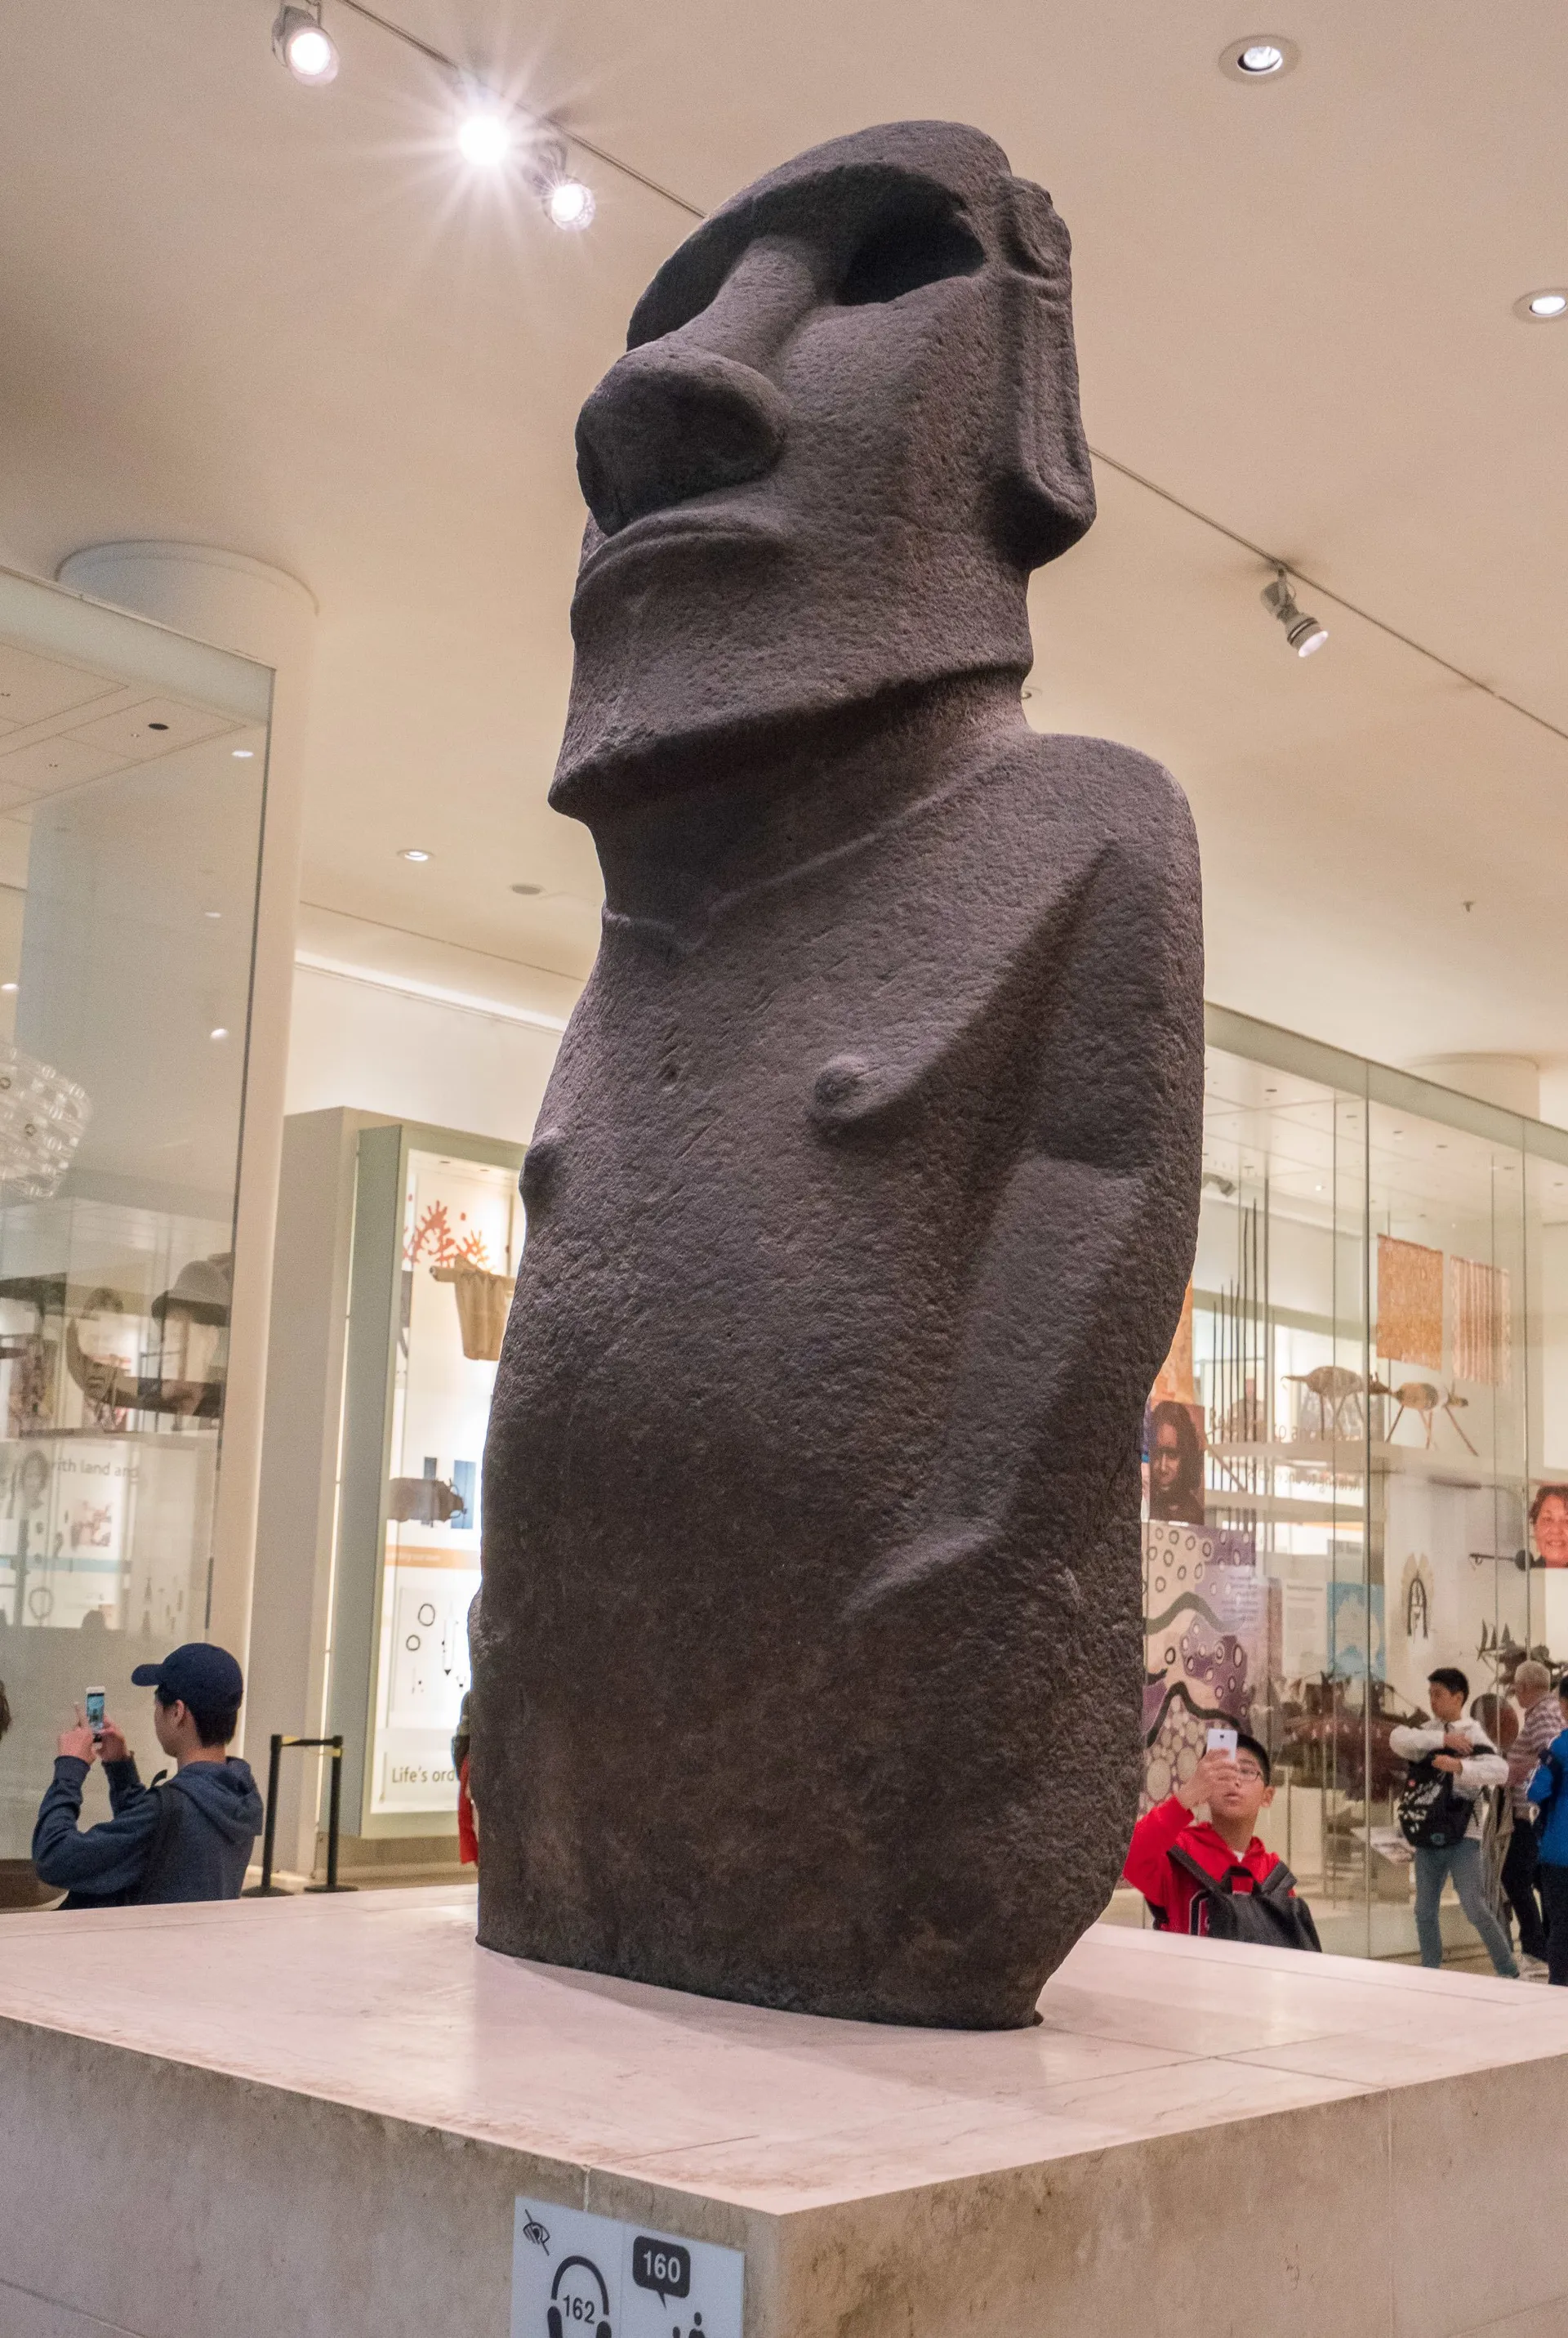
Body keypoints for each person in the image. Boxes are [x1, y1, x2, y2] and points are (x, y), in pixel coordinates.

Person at [32, 1642, 262, 1907]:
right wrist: (120, 1769)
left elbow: (53, 1859)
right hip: (191, 1944)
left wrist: (70, 1767)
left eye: (157, 1705)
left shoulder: (168, 1810)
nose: (155, 1716)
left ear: (177, 1712)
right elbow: (162, 1844)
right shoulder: (241, 1794)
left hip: (129, 1946)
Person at [1123, 1731, 1316, 1943]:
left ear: (1267, 1796)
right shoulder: (1178, 1857)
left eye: (1246, 1771)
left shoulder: (1274, 1876)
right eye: (1223, 1772)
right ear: (1207, 1787)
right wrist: (1187, 1796)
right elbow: (1128, 1856)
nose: (1234, 1780)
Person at [1391, 1666, 1517, 1978]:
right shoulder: (1430, 1731)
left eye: (1439, 1694)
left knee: (1475, 1906)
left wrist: (1460, 1767)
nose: (1433, 1701)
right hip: (1427, 1830)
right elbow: (1398, 1738)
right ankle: (1431, 1971)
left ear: (1458, 1697)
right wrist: (1443, 1738)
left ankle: (1508, 1969)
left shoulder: (1473, 1733)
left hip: (1463, 1834)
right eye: (1430, 1694)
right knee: (1424, 1910)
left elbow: (1500, 1770)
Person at [1501, 1660, 1557, 1973]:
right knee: (1536, 1880)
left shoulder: (1544, 1714)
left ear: (1524, 1688)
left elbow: (1553, 1756)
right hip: (1532, 1813)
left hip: (1531, 1814)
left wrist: (1522, 1774)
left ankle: (1537, 1948)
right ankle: (1544, 1945)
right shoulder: (1540, 1713)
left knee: (1516, 1878)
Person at [1527, 1675, 1568, 1986]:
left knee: (1560, 1927)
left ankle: (1559, 1991)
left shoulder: (1559, 1746)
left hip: (1559, 1852)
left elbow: (1535, 1791)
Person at [1147, 1399, 1206, 1525]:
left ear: (1186, 1458)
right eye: (1157, 1454)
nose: (1162, 1467)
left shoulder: (1194, 1516)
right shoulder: (1144, 1505)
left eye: (1172, 1455)